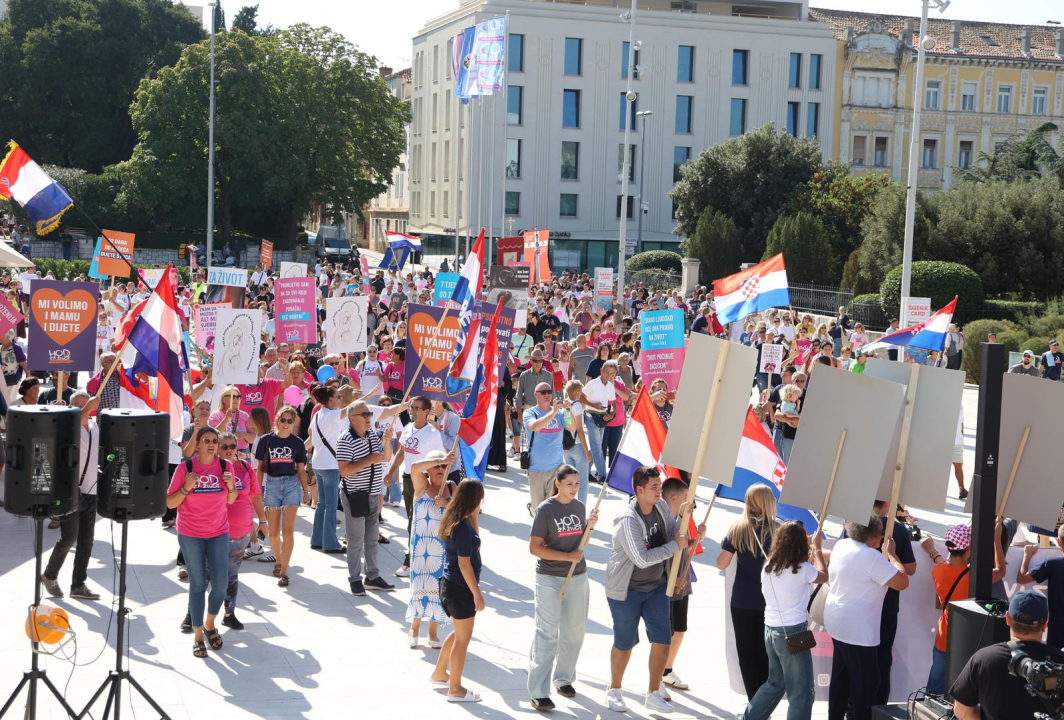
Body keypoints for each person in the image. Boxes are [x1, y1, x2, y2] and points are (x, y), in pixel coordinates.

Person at [603, 465, 696, 714]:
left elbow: (672, 534)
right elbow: (642, 559)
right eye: (654, 487)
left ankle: (653, 693)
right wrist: (676, 546)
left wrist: (683, 524)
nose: (659, 491)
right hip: (626, 591)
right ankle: (614, 689)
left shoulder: (662, 507)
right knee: (625, 643)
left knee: (662, 640)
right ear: (639, 490)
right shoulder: (627, 520)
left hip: (655, 587)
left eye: (659, 486)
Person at [823, 514, 910, 720]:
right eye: (881, 533)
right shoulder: (871, 557)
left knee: (841, 679)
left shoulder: (843, 545)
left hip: (838, 622)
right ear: (871, 535)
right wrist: (893, 555)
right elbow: (903, 581)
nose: (882, 537)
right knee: (867, 684)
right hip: (857, 630)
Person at [527, 465, 599, 711]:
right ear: (558, 484)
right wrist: (566, 557)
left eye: (577, 483)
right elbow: (535, 548)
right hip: (549, 578)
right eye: (570, 484)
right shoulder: (545, 510)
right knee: (547, 634)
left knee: (575, 631)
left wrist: (590, 526)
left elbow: (581, 544)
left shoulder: (579, 507)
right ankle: (538, 691)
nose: (574, 488)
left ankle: (564, 678)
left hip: (577, 577)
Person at [740, 520, 827, 720]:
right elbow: (823, 576)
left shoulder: (769, 566)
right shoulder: (802, 568)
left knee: (775, 683)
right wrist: (819, 549)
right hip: (793, 632)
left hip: (771, 630)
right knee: (802, 694)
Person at [165, 426, 237, 657]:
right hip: (191, 533)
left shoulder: (226, 466)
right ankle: (198, 636)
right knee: (197, 584)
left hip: (218, 531)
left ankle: (209, 624)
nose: (212, 444)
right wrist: (187, 487)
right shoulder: (185, 468)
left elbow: (232, 499)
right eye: (206, 440)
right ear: (197, 444)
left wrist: (231, 485)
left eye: (214, 441)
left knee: (220, 584)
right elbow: (170, 504)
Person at [950, 590, 1064, 720]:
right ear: (1045, 625)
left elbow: (962, 711)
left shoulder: (983, 658)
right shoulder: (1060, 661)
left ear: (1008, 618)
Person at [922, 521, 1006, 694]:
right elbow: (1001, 570)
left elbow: (941, 562)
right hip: (968, 639)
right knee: (964, 692)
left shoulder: (938, 571)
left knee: (934, 690)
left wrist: (932, 551)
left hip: (944, 636)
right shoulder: (974, 577)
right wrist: (996, 540)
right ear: (968, 550)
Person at [717, 483, 778, 700]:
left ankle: (754, 701)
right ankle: (764, 700)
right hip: (769, 602)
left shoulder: (737, 529)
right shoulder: (778, 530)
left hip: (741, 600)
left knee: (745, 652)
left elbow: (721, 563)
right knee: (765, 652)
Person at [41, 392, 103, 601]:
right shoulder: (69, 425)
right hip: (70, 490)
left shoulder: (94, 426)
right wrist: (83, 409)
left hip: (91, 490)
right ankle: (49, 575)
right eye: (76, 405)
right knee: (69, 537)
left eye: (84, 405)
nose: (81, 408)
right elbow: (76, 419)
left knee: (86, 541)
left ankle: (78, 585)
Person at [431, 479, 487, 703]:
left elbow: (476, 538)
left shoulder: (455, 519)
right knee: (463, 641)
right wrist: (477, 593)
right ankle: (455, 688)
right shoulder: (462, 528)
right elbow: (465, 564)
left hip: (449, 585)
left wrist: (473, 514)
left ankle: (439, 673)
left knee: (457, 634)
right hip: (460, 588)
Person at [336, 401, 396, 596]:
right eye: (365, 414)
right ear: (353, 418)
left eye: (369, 413)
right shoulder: (345, 439)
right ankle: (354, 579)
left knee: (372, 539)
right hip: (354, 495)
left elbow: (385, 458)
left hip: (372, 494)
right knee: (355, 541)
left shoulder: (371, 434)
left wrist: (386, 442)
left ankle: (372, 576)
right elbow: (344, 471)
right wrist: (369, 460)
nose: (369, 417)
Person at [387, 396, 445, 577]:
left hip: (424, 482)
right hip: (407, 480)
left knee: (415, 521)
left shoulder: (433, 434)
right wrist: (391, 471)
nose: (412, 411)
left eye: (416, 408)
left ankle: (410, 561)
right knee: (412, 520)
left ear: (427, 411)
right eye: (411, 407)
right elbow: (402, 452)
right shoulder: (407, 428)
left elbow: (440, 461)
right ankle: (417, 557)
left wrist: (436, 485)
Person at [255, 405, 310, 588]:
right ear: (277, 419)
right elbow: (260, 468)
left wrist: (306, 490)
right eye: (283, 419)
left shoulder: (297, 443)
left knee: (288, 530)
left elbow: (301, 469)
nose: (285, 424)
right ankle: (278, 561)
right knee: (273, 532)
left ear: (293, 423)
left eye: (289, 421)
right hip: (271, 484)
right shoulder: (266, 440)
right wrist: (257, 489)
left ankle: (284, 571)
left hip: (291, 485)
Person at [660, 477, 706, 694]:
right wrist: (671, 579)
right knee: (664, 632)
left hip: (682, 580)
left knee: (679, 630)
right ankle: (656, 676)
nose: (691, 502)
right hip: (665, 582)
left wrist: (696, 540)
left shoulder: (684, 518)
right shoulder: (662, 518)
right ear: (674, 498)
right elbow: (666, 547)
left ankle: (667, 670)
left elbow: (682, 544)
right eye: (687, 498)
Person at [217, 432, 266, 630]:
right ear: (218, 448)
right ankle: (192, 615)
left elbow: (255, 496)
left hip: (240, 532)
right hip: (214, 531)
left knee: (232, 575)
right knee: (205, 576)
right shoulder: (212, 469)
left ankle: (229, 613)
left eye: (232, 446)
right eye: (224, 446)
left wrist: (262, 520)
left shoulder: (245, 468)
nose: (228, 450)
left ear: (237, 448)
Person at [406, 449, 454, 648]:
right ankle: (414, 627)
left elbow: (463, 509)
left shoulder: (451, 487)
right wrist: (440, 458)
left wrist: (448, 502)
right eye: (436, 466)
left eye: (443, 466)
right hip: (421, 548)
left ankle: (433, 632)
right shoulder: (422, 485)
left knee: (438, 588)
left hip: (442, 548)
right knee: (420, 586)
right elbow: (414, 468)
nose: (440, 469)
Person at [307, 386, 346, 554]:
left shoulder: (317, 414)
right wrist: (370, 394)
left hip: (318, 462)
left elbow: (310, 435)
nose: (340, 399)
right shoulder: (332, 414)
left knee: (322, 503)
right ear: (330, 399)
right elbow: (353, 408)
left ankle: (317, 539)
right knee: (330, 505)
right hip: (330, 465)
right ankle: (330, 543)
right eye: (338, 396)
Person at [1016, 523, 1064, 649]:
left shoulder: (1053, 564)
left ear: (1058, 542)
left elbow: (1022, 578)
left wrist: (1027, 555)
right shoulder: (1053, 564)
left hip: (1058, 631)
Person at [523, 382, 567, 512]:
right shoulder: (530, 412)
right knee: (539, 510)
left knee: (553, 508)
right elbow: (535, 426)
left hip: (556, 468)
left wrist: (569, 410)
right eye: (543, 392)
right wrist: (553, 412)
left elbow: (571, 426)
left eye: (549, 391)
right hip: (536, 469)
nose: (547, 395)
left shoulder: (560, 413)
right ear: (536, 395)